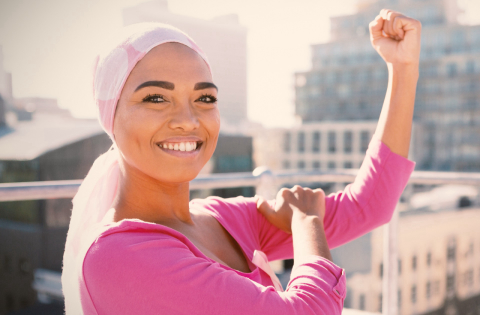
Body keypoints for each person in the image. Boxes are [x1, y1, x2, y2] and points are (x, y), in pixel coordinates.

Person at [62, 9, 420, 315]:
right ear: (111, 116)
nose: (188, 120)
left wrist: (403, 69)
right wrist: (307, 221)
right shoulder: (117, 256)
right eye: (156, 97)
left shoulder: (223, 218)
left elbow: (368, 205)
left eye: (204, 98)